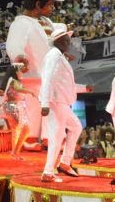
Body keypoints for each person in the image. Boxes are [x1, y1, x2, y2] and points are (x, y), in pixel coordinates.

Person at [5, 0, 65, 148]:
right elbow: (14, 44)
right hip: (34, 75)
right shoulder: (21, 23)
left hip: (50, 74)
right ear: (38, 4)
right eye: (51, 4)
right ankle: (31, 138)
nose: (53, 8)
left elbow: (57, 33)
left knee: (50, 106)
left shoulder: (46, 21)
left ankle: (49, 138)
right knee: (35, 106)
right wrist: (19, 57)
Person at [39, 29, 91, 182]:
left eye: (69, 39)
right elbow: (47, 78)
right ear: (57, 41)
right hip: (56, 101)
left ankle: (65, 162)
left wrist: (84, 88)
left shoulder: (59, 56)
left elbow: (65, 83)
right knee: (57, 135)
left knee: (76, 127)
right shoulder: (54, 54)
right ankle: (48, 172)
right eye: (66, 39)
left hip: (61, 101)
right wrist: (45, 102)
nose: (69, 42)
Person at [0, 62, 35, 160]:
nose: (21, 72)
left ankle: (14, 152)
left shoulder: (14, 81)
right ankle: (15, 152)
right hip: (12, 107)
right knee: (25, 129)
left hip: (13, 107)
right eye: (20, 70)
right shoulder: (13, 81)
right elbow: (19, 89)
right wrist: (30, 92)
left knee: (17, 130)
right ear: (15, 71)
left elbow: (20, 88)